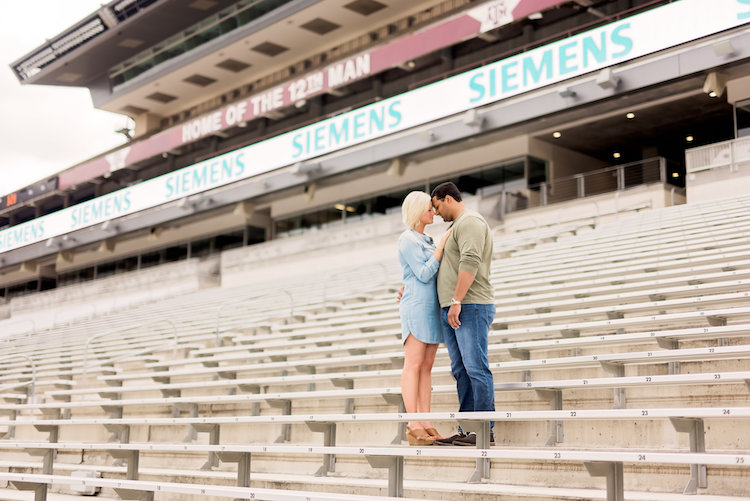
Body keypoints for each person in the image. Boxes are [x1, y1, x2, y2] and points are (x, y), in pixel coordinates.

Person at [429, 182, 496, 447]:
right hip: (455, 307)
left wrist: (457, 299)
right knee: (461, 370)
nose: (435, 213)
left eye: (436, 206)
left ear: (447, 199)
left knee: (475, 368)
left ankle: (483, 430)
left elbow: (471, 260)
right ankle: (468, 429)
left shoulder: (470, 222)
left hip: (470, 305)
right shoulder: (455, 226)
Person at [397, 191, 452, 445]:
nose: (434, 211)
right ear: (418, 211)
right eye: (429, 208)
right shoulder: (408, 239)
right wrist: (441, 246)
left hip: (431, 306)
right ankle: (413, 422)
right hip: (416, 306)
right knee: (414, 364)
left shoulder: (427, 240)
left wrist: (438, 247)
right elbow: (423, 273)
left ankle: (426, 420)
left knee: (427, 367)